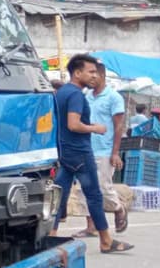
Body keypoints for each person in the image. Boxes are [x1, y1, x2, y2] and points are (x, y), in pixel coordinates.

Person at [52, 54, 132, 254]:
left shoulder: (61, 93)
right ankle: (105, 240)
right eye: (90, 72)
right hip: (80, 152)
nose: (94, 76)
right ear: (77, 73)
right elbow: (73, 124)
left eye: (96, 72)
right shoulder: (77, 95)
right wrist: (95, 128)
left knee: (59, 196)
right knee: (94, 195)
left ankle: (50, 236)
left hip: (66, 152)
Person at [69, 61, 129, 237]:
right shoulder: (85, 95)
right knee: (83, 189)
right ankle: (91, 225)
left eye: (93, 75)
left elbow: (119, 126)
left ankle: (118, 207)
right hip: (85, 148)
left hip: (104, 150)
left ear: (101, 76)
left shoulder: (114, 97)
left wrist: (115, 152)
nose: (91, 79)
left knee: (103, 188)